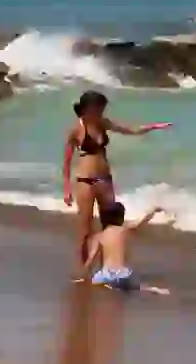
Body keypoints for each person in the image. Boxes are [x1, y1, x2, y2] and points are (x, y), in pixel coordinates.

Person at [62, 90, 172, 266]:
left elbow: (130, 130)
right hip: (85, 181)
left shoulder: (103, 123)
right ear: (89, 107)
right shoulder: (75, 129)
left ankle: (108, 267)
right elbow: (66, 162)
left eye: (103, 108)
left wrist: (154, 127)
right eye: (99, 107)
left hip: (104, 180)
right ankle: (84, 271)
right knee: (85, 230)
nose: (102, 111)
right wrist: (67, 189)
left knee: (111, 227)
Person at [81, 202, 172, 294]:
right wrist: (153, 210)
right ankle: (153, 289)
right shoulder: (125, 230)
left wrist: (84, 275)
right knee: (135, 286)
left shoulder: (99, 236)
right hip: (122, 274)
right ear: (121, 217)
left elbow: (91, 259)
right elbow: (141, 221)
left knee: (95, 281)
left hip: (106, 275)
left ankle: (106, 284)